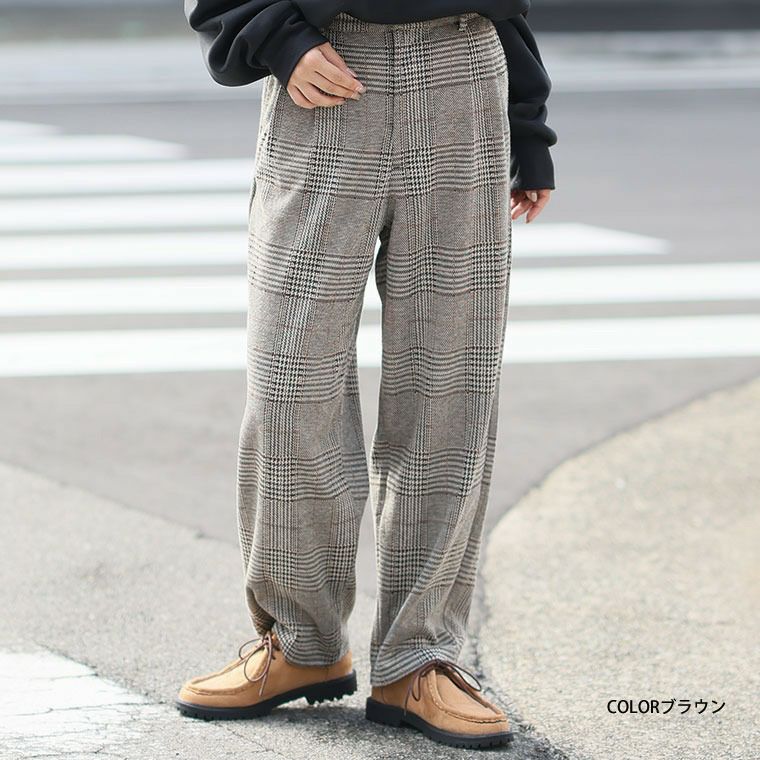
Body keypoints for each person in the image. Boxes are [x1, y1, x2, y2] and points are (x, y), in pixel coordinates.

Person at [178, 0, 556, 749]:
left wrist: (527, 123)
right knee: (290, 380)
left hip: (462, 68)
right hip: (323, 69)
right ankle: (302, 642)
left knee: (450, 386)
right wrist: (274, 36)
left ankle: (419, 659)